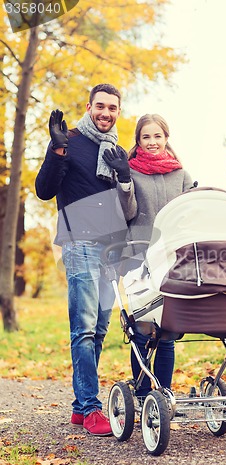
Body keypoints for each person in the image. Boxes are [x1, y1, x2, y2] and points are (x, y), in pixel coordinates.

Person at [35, 84, 137, 436]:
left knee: (102, 328)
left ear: (118, 112)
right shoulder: (69, 140)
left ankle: (80, 407)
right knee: (84, 327)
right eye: (100, 106)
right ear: (89, 106)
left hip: (111, 247)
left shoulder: (116, 151)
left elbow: (128, 210)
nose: (105, 113)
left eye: (112, 108)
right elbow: (44, 190)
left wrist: (124, 176)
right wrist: (57, 149)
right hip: (78, 241)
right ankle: (92, 408)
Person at [102, 113, 193, 401]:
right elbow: (126, 213)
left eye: (157, 136)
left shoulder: (181, 175)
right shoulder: (130, 170)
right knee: (142, 329)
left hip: (172, 261)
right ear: (138, 140)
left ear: (166, 138)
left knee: (167, 332)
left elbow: (188, 218)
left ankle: (163, 395)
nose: (152, 142)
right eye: (146, 137)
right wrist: (126, 181)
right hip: (138, 258)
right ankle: (141, 395)